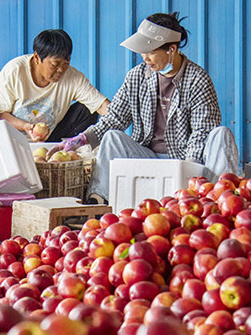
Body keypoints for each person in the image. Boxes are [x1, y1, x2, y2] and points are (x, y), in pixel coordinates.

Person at [52, 12, 238, 204]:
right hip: (148, 156)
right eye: (143, 52)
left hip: (187, 158)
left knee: (221, 134)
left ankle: (219, 202)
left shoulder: (197, 79)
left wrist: (186, 172)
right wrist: (82, 139)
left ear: (171, 50)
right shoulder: (137, 76)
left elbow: (202, 131)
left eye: (150, 52)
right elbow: (115, 118)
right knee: (112, 137)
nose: (145, 58)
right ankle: (97, 201)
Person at [0, 29, 110, 142]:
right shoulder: (14, 71)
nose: (61, 70)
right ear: (37, 57)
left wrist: (124, 119)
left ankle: (65, 152)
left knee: (88, 109)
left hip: (49, 141)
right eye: (55, 64)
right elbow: (0, 114)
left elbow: (102, 106)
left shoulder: (73, 77)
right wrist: (26, 126)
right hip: (9, 141)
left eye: (66, 64)